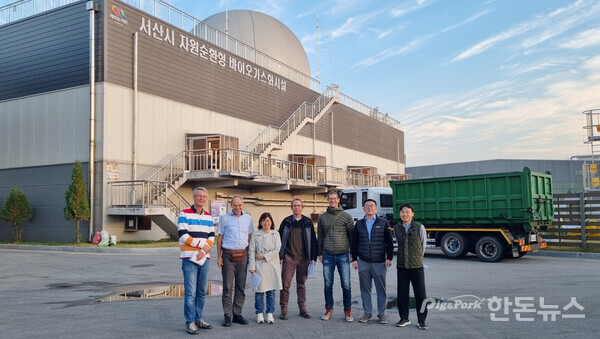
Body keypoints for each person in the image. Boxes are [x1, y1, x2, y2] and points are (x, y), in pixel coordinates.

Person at [178, 187, 215, 335]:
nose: (202, 199)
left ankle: (199, 318)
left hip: (204, 258)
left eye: (204, 197)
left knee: (201, 292)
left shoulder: (209, 217)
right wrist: (202, 246)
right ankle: (190, 322)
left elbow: (212, 236)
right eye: (199, 196)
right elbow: (183, 235)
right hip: (189, 258)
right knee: (190, 293)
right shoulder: (184, 213)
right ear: (194, 197)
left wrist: (204, 250)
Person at [351, 199, 394, 325]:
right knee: (365, 289)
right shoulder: (358, 224)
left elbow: (389, 242)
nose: (369, 208)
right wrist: (354, 259)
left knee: (381, 289)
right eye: (367, 206)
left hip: (379, 261)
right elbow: (354, 243)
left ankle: (382, 314)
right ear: (363, 209)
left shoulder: (384, 223)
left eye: (372, 206)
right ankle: (367, 313)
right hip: (363, 261)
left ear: (376, 208)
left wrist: (389, 257)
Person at [217, 195, 255, 327]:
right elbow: (220, 238)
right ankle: (227, 315)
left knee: (241, 286)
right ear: (231, 205)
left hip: (243, 256)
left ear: (243, 205)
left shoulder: (248, 218)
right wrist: (219, 256)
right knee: (227, 287)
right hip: (228, 256)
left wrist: (249, 255)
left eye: (239, 205)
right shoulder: (225, 218)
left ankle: (237, 314)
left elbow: (250, 237)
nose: (237, 207)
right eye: (235, 205)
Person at [317, 190, 355, 322]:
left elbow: (352, 236)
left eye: (334, 198)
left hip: (343, 255)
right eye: (330, 198)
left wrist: (353, 254)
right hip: (327, 255)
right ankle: (329, 309)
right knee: (328, 284)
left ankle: (348, 311)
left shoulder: (346, 216)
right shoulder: (322, 217)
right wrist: (319, 253)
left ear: (338, 200)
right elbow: (320, 236)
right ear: (327, 200)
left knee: (346, 284)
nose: (332, 200)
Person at [278, 198, 318, 320]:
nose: (297, 207)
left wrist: (313, 257)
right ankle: (284, 310)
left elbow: (313, 241)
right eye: (294, 205)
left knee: (301, 285)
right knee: (285, 285)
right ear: (292, 207)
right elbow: (279, 240)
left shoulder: (307, 222)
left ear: (302, 207)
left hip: (303, 259)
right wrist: (280, 256)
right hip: (289, 258)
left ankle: (302, 309)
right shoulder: (286, 222)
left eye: (299, 205)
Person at [394, 203, 429, 330]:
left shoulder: (419, 227)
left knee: (420, 294)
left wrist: (417, 258)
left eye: (407, 212)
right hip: (402, 266)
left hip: (416, 266)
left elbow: (423, 246)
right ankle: (404, 318)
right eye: (402, 212)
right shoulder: (397, 228)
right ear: (400, 214)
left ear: (412, 214)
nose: (405, 214)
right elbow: (398, 244)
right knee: (402, 294)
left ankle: (421, 320)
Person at [248, 212, 282, 324]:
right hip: (259, 267)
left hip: (271, 266)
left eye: (268, 220)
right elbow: (251, 252)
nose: (266, 223)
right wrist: (252, 267)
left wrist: (264, 256)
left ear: (271, 222)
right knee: (259, 291)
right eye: (264, 220)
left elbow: (277, 249)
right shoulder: (256, 235)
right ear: (260, 222)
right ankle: (259, 313)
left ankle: (270, 313)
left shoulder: (275, 234)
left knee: (271, 291)